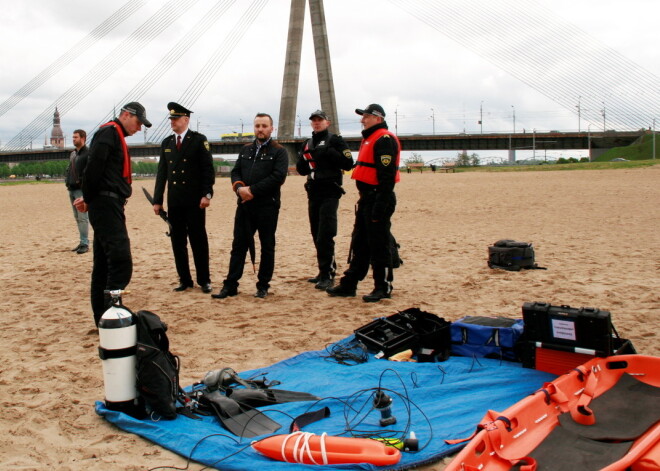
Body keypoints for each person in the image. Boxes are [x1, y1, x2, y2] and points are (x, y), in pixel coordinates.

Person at [73, 102, 152, 326]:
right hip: (106, 203)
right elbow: (93, 166)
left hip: (109, 203)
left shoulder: (114, 135)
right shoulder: (109, 132)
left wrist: (89, 198)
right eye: (138, 123)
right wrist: (88, 198)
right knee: (120, 259)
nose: (139, 129)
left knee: (103, 263)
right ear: (126, 115)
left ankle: (102, 318)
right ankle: (111, 312)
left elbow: (96, 167)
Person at [327, 104, 400, 302]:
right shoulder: (369, 138)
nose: (362, 119)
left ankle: (382, 287)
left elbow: (387, 177)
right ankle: (349, 284)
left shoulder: (384, 139)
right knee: (359, 243)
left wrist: (379, 206)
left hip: (378, 198)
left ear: (377, 118)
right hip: (367, 198)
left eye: (366, 116)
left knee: (379, 245)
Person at [212, 113, 288, 299]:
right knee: (238, 245)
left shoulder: (280, 151)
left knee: (267, 246)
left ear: (272, 128)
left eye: (264, 126)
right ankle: (230, 285)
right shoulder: (246, 149)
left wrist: (252, 190)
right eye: (257, 126)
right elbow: (236, 171)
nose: (260, 129)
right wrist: (239, 189)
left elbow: (278, 177)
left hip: (267, 207)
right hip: (244, 206)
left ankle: (263, 285)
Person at [153, 102, 215, 293]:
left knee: (198, 241)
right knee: (178, 242)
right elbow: (162, 173)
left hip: (195, 201)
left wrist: (207, 194)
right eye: (171, 119)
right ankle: (185, 280)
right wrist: (157, 200)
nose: (172, 122)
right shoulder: (167, 143)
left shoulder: (198, 140)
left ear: (186, 119)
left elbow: (207, 170)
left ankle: (204, 280)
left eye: (176, 118)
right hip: (175, 202)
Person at [295, 110, 353, 290]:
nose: (317, 123)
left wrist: (330, 152)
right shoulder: (308, 143)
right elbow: (302, 169)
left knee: (325, 234)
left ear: (328, 123)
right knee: (315, 232)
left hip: (330, 191)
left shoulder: (335, 140)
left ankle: (328, 275)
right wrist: (303, 160)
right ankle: (323, 270)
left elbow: (349, 164)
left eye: (320, 120)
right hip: (313, 191)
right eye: (314, 120)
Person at [65, 129, 90, 254]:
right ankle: (82, 241)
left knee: (83, 218)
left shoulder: (88, 153)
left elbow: (89, 174)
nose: (73, 139)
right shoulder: (73, 154)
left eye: (76, 137)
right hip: (71, 189)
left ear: (83, 138)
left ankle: (85, 243)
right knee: (77, 217)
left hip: (81, 190)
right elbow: (70, 170)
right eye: (73, 137)